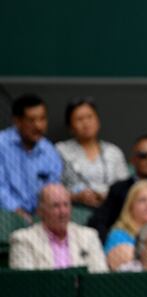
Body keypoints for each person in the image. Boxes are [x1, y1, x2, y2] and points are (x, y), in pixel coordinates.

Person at [9, 183, 106, 272]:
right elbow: (25, 285)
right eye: (56, 206)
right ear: (40, 211)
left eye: (66, 205)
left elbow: (100, 279)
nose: (63, 212)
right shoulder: (23, 240)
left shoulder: (89, 237)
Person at [55, 97, 128, 208]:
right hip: (72, 209)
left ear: (98, 120)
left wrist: (107, 196)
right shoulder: (60, 150)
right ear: (70, 127)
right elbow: (50, 188)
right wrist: (75, 196)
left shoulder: (113, 151)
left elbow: (126, 190)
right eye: (79, 119)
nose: (86, 123)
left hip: (110, 210)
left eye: (90, 117)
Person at [0, 94, 62, 222]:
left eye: (42, 119)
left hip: (39, 218)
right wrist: (18, 211)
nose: (38, 126)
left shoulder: (50, 151)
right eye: (31, 120)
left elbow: (53, 188)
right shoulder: (2, 144)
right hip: (5, 214)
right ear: (17, 121)